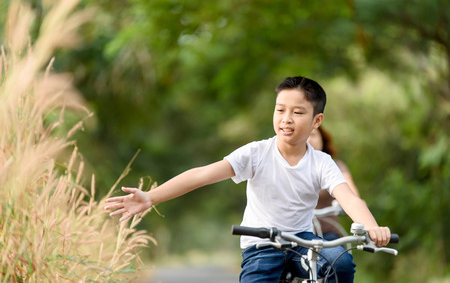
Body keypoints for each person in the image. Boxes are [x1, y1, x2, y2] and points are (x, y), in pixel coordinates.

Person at [105, 76, 391, 283]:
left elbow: (349, 197)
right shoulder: (256, 153)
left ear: (317, 121)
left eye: (298, 112)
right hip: (261, 242)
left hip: (303, 240)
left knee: (339, 264)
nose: (286, 118)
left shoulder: (322, 162)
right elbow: (201, 175)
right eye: (280, 110)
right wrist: (151, 197)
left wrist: (372, 227)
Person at [308, 126, 360, 241]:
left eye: (313, 135)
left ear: (322, 138)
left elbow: (352, 195)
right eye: (305, 136)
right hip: (295, 234)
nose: (309, 140)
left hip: (327, 234)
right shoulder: (289, 167)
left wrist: (358, 208)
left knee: (339, 257)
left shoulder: (335, 166)